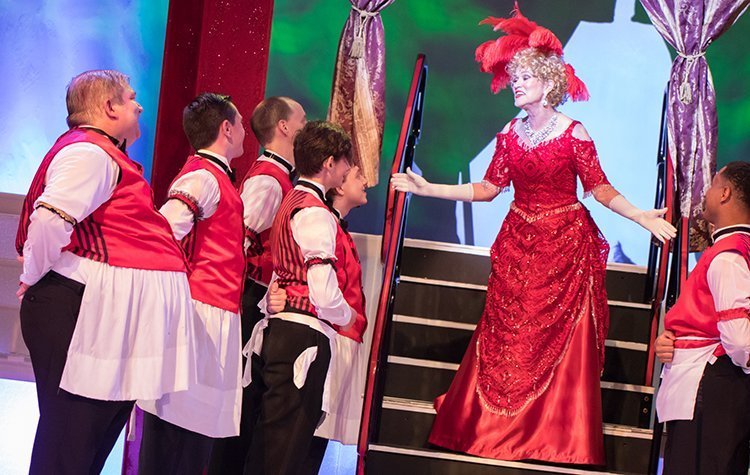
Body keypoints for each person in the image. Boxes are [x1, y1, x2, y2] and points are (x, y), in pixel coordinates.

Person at [391, 6, 676, 465]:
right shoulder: (509, 134)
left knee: (555, 340)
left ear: (547, 84)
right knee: (505, 335)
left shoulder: (572, 133)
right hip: (518, 244)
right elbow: (487, 190)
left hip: (564, 246)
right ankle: (491, 426)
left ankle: (553, 433)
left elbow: (599, 187)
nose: (516, 83)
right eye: (514, 76)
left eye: (524, 76)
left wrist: (641, 216)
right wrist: (429, 189)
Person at [15, 69, 193, 474]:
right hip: (78, 308)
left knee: (87, 443)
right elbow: (48, 222)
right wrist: (35, 276)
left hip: (102, 315)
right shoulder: (89, 153)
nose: (139, 104)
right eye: (131, 98)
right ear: (109, 107)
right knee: (72, 442)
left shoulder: (103, 154)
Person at [137, 93, 246, 473]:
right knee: (176, 436)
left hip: (214, 310)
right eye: (241, 122)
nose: (246, 130)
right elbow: (164, 229)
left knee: (191, 436)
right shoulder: (204, 176)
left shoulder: (215, 178)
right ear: (226, 128)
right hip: (201, 312)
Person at [242, 120, 356, 474]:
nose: (348, 169)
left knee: (269, 443)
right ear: (328, 163)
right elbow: (322, 288)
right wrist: (346, 314)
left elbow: (283, 268)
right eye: (344, 162)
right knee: (285, 450)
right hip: (303, 335)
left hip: (283, 331)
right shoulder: (315, 212)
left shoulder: (294, 198)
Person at [209, 96, 306, 475]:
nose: (305, 124)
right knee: (243, 406)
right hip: (249, 300)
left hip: (255, 299)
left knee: (248, 406)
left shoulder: (277, 176)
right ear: (283, 127)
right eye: (301, 118)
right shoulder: (268, 180)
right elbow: (238, 241)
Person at [268, 165, 370, 471]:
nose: (364, 181)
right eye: (355, 175)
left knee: (310, 442)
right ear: (338, 185)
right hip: (327, 335)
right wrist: (276, 296)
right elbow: (294, 271)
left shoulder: (336, 228)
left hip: (341, 340)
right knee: (301, 444)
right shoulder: (318, 222)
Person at [653, 162, 750, 474]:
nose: (705, 194)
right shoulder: (732, 249)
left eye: (711, 185)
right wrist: (673, 338)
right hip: (710, 384)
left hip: (711, 388)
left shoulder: (730, 254)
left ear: (725, 194)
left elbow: (738, 338)